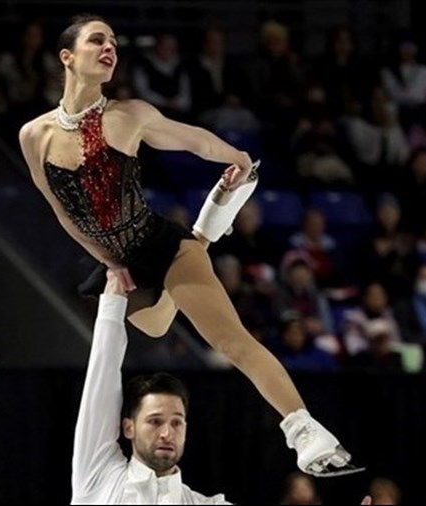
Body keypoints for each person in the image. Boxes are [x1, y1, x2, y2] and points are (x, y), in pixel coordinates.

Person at [19, 14, 357, 477]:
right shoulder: (32, 136)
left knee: (228, 338)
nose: (109, 47)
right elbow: (61, 209)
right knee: (157, 326)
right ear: (67, 56)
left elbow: (191, 139)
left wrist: (235, 157)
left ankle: (304, 431)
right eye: (97, 40)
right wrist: (108, 261)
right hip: (122, 262)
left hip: (161, 245)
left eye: (114, 42)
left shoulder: (129, 115)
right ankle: (206, 229)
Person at [72, 270, 374, 504]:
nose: (167, 432)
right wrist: (112, 305)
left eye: (176, 422)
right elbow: (102, 374)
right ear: (128, 427)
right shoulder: (98, 474)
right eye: (154, 421)